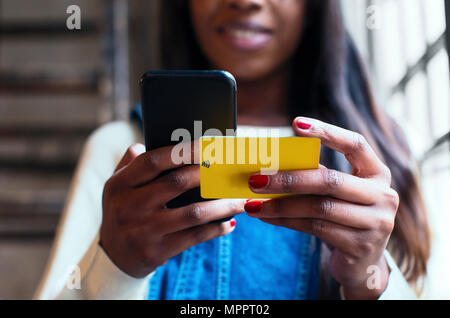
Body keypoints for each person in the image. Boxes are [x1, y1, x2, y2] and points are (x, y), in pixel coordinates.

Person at [35, 0, 430, 300]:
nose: (244, 1)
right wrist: (115, 267)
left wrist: (368, 278)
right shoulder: (119, 148)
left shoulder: (388, 154)